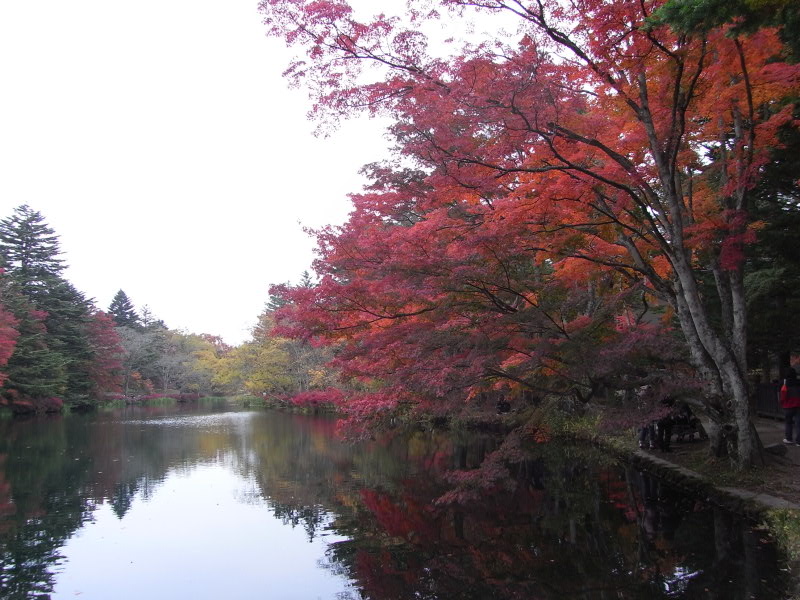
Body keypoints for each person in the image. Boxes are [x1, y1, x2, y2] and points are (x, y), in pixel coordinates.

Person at [779, 368, 800, 444]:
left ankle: (789, 439)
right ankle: (799, 441)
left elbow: (780, 394)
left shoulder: (783, 382)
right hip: (798, 405)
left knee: (788, 423)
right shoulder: (798, 382)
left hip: (787, 405)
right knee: (798, 423)